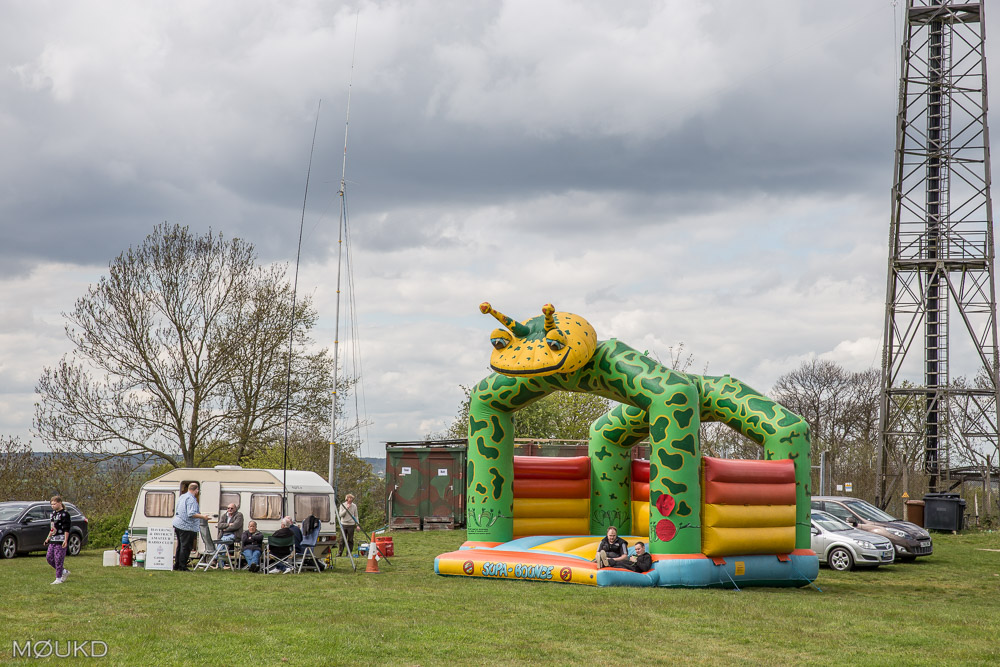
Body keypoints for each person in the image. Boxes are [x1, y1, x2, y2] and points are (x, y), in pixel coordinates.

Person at [171, 482, 212, 572]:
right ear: (196, 490)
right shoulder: (191, 499)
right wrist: (203, 516)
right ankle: (182, 566)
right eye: (198, 490)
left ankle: (177, 564)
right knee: (186, 547)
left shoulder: (182, 496)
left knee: (180, 546)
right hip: (186, 526)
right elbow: (191, 513)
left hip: (178, 524)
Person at [43, 495, 72, 585]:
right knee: (49, 558)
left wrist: (65, 540)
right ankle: (63, 571)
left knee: (58, 559)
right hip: (53, 539)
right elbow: (52, 528)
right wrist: (48, 538)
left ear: (60, 503)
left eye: (54, 504)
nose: (53, 506)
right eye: (51, 504)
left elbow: (66, 528)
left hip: (61, 539)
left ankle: (58, 578)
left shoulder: (65, 514)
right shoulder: (53, 514)